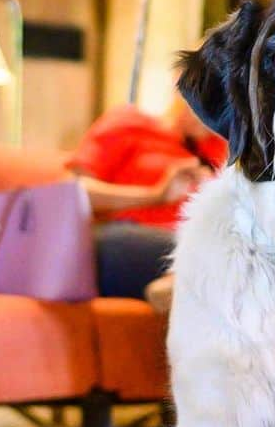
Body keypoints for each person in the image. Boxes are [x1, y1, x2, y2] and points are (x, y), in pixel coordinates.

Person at [69, 94, 227, 303]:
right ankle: (183, 285)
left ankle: (183, 285)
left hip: (190, 241)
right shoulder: (129, 121)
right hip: (122, 237)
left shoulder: (221, 149)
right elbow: (74, 193)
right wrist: (154, 195)